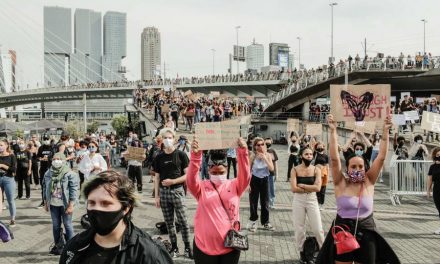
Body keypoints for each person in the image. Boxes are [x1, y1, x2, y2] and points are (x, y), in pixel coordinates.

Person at [316, 114, 400, 264]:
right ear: (347, 169)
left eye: (361, 166)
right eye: (353, 166)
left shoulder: (369, 181)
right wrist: (333, 131)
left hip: (367, 231)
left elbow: (380, 158)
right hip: (343, 231)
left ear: (365, 168)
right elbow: (335, 159)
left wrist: (386, 132)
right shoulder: (340, 182)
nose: (357, 169)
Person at [59, 170, 173, 263]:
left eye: (106, 203)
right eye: (92, 203)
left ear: (126, 208)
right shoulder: (74, 247)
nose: (96, 209)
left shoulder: (149, 254)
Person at [186, 138, 250, 264]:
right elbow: (190, 180)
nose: (218, 175)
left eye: (221, 172)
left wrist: (243, 152)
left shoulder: (235, 185)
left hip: (230, 246)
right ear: (208, 170)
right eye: (214, 172)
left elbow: (246, 175)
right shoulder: (201, 188)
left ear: (227, 170)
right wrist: (196, 156)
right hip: (204, 247)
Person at [153, 128, 192, 258]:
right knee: (169, 223)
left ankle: (187, 248)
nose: (167, 140)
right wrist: (157, 196)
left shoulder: (181, 155)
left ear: (174, 139)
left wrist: (173, 181)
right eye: (165, 138)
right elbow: (156, 177)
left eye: (170, 137)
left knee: (184, 222)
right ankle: (174, 248)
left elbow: (188, 175)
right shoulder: (158, 157)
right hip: (164, 194)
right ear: (162, 140)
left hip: (177, 191)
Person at [290, 147, 324, 263]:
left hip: (312, 200)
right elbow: (294, 188)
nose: (309, 156)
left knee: (318, 228)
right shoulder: (295, 169)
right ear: (301, 156)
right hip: (298, 200)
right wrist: (310, 188)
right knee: (299, 228)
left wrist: (303, 186)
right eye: (306, 154)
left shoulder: (316, 170)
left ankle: (322, 252)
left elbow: (318, 188)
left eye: (310, 154)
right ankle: (302, 253)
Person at [43, 153, 79, 255]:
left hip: (65, 204)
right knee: (55, 226)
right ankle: (58, 246)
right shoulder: (48, 173)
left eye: (59, 159)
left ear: (63, 160)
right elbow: (45, 188)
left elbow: (73, 190)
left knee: (67, 224)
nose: (56, 161)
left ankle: (71, 248)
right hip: (53, 204)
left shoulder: (70, 173)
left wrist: (71, 205)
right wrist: (45, 202)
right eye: (54, 159)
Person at [247, 137, 275, 232]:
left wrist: (265, 159)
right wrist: (247, 184)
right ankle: (253, 222)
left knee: (265, 202)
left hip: (265, 180)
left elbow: (271, 169)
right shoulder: (252, 156)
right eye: (258, 145)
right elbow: (248, 170)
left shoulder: (268, 155)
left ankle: (265, 222)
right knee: (253, 202)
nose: (260, 146)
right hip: (254, 180)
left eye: (262, 144)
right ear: (255, 147)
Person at [0, 139, 17, 226]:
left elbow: (13, 170)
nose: (0, 147)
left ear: (6, 146)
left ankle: (12, 219)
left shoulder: (11, 156)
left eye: (1, 145)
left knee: (10, 200)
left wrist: (2, 166)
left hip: (8, 179)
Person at [37, 135, 54, 208]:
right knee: (43, 185)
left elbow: (56, 156)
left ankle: (52, 201)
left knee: (52, 186)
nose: (46, 140)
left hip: (51, 168)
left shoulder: (52, 147)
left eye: (47, 139)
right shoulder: (41, 148)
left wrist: (49, 159)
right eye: (45, 139)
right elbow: (38, 157)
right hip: (43, 169)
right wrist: (41, 158)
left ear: (50, 139)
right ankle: (43, 201)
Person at [427, 147, 440, 235]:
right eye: (438, 155)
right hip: (437, 190)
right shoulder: (432, 166)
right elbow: (430, 179)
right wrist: (428, 190)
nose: (439, 156)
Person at [313, 141, 329, 208]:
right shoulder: (315, 154)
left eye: (321, 145)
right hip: (316, 174)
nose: (320, 146)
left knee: (323, 190)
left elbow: (327, 166)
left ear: (323, 147)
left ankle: (321, 204)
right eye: (318, 145)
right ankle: (316, 203)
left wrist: (328, 176)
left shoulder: (326, 156)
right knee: (317, 189)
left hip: (324, 174)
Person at [265, 137, 278, 209]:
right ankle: (263, 203)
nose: (267, 144)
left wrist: (277, 173)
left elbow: (275, 163)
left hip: (271, 173)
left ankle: (272, 203)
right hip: (262, 173)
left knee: (271, 188)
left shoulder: (273, 151)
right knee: (264, 189)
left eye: (269, 143)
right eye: (266, 143)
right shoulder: (261, 151)